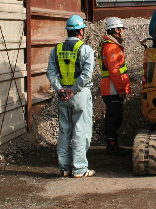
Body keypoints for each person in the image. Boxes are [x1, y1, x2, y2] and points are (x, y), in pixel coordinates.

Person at [46, 15, 95, 178]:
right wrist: (73, 90)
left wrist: (60, 90)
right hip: (79, 94)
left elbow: (51, 73)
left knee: (64, 131)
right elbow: (87, 74)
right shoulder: (86, 49)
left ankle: (64, 168)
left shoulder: (56, 49)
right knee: (81, 130)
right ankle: (79, 169)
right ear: (81, 31)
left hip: (62, 97)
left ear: (68, 31)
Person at [99, 17, 131, 156]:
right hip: (113, 89)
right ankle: (112, 146)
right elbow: (114, 70)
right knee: (113, 118)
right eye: (122, 29)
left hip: (110, 89)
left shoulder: (108, 45)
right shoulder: (112, 47)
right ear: (117, 30)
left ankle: (112, 144)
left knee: (113, 117)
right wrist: (120, 89)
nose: (123, 32)